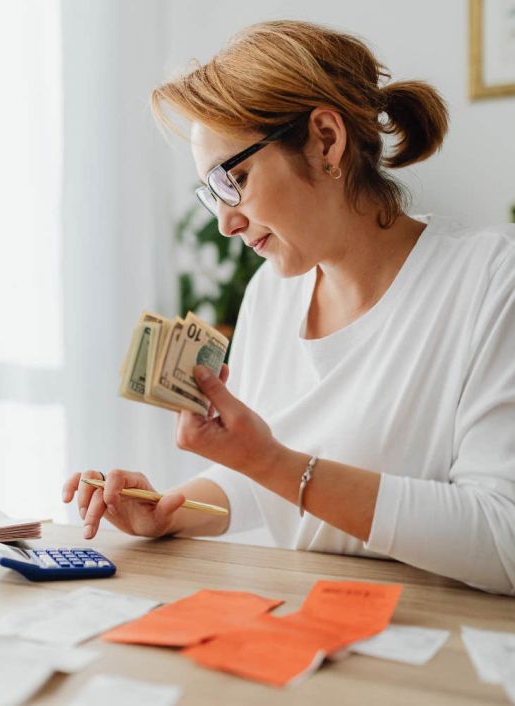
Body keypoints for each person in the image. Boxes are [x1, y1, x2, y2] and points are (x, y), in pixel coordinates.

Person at [62, 20, 515, 596]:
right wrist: (171, 511)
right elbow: (260, 480)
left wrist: (271, 461)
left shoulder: (492, 280)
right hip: (312, 629)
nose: (225, 222)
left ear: (326, 140)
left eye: (235, 180)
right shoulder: (271, 296)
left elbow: (504, 538)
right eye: (212, 195)